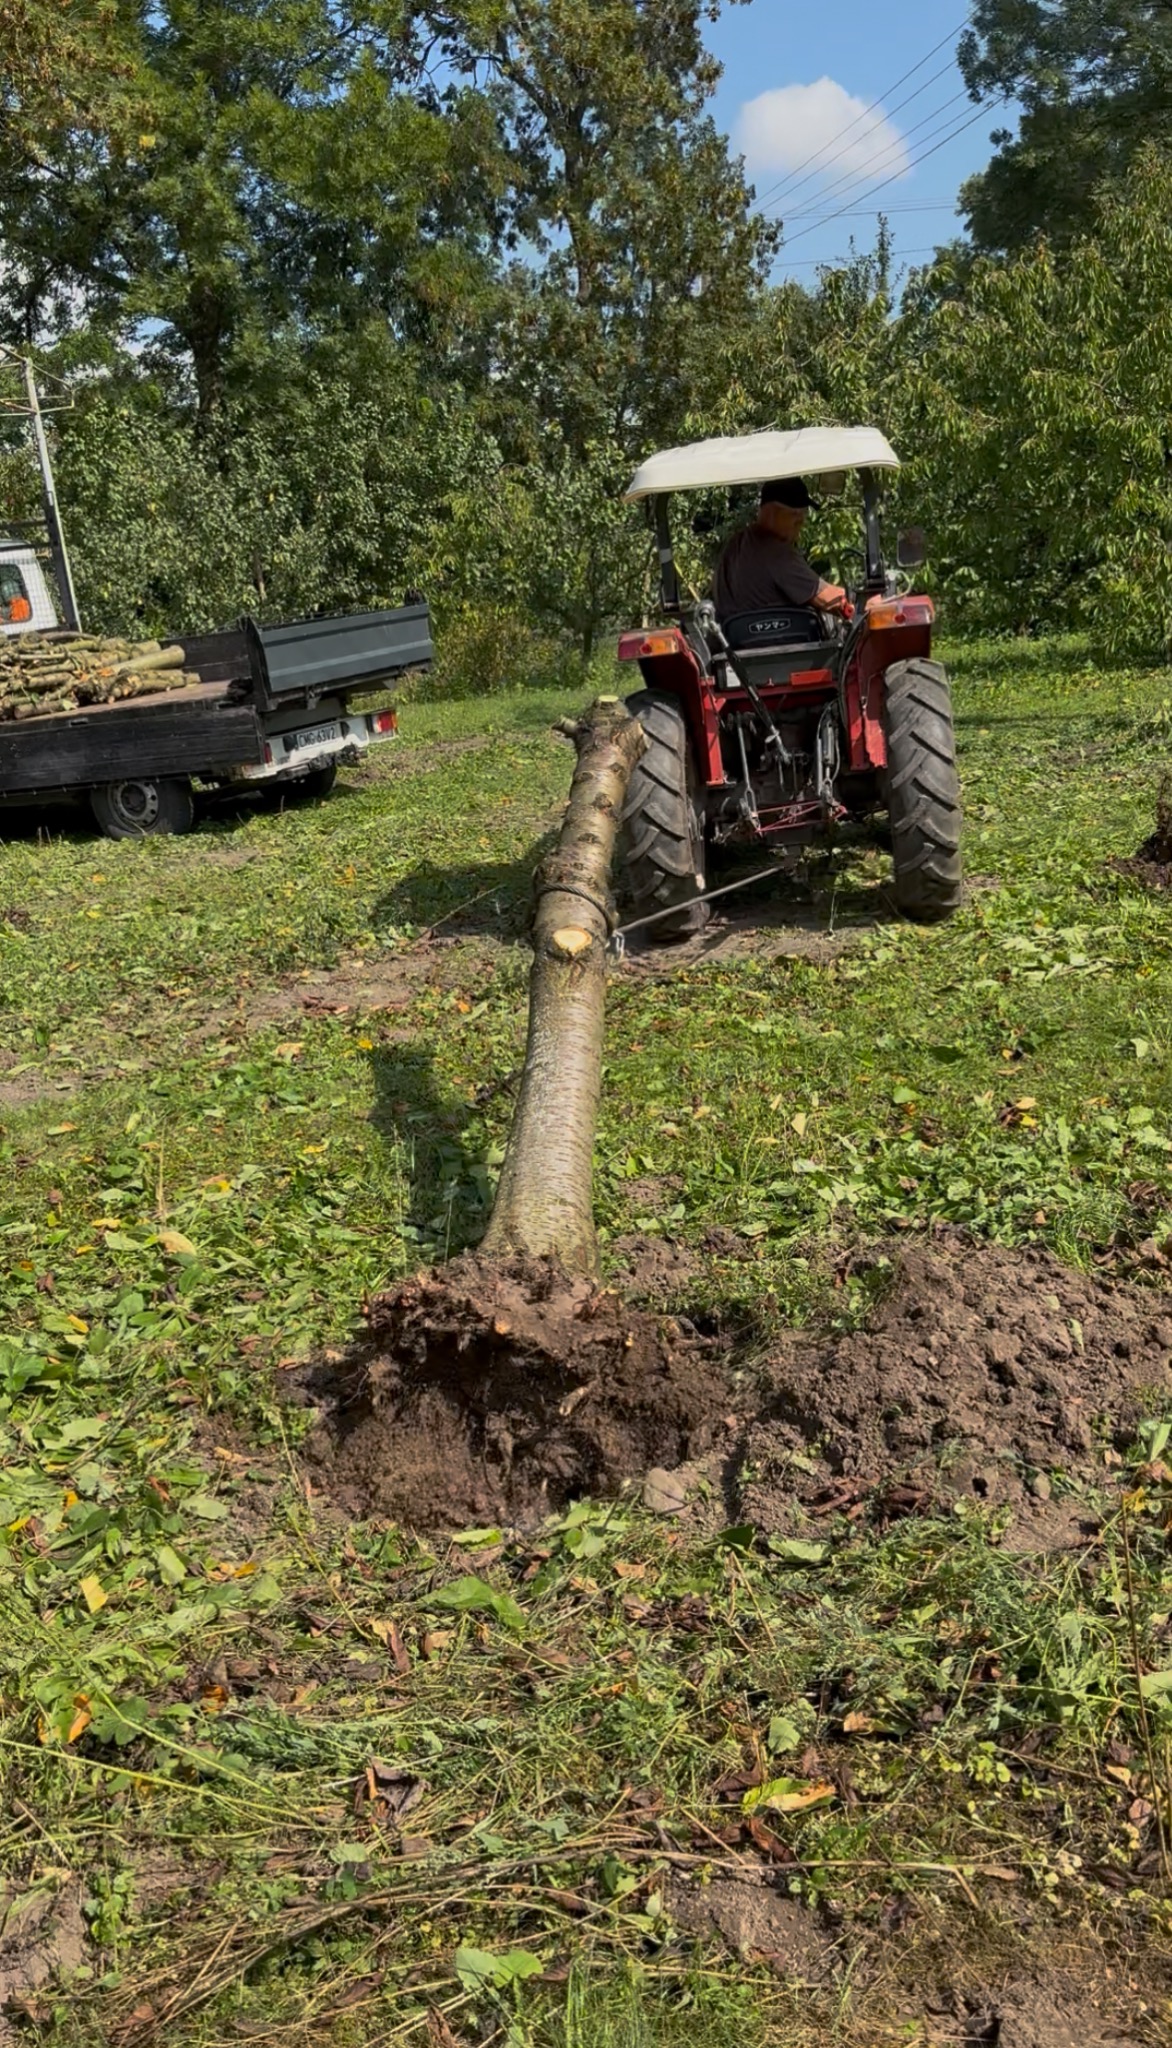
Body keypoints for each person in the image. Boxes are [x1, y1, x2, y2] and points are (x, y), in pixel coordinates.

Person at [714, 478, 848, 624]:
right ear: (772, 513)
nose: (801, 522)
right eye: (795, 517)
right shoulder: (776, 552)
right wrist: (866, 600)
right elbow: (828, 598)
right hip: (781, 642)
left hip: (736, 643)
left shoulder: (734, 546)